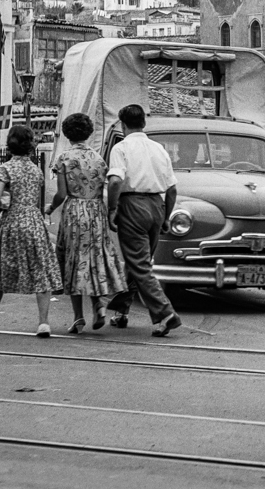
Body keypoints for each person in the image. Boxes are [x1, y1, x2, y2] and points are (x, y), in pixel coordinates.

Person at [105, 104, 183, 336]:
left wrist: (112, 209)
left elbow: (116, 181)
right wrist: (166, 216)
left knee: (139, 264)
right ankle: (121, 310)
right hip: (157, 206)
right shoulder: (159, 149)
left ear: (122, 124)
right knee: (138, 261)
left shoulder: (121, 148)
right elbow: (172, 189)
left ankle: (166, 313)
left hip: (132, 206)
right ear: (144, 123)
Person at [0, 125, 62, 336]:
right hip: (34, 221)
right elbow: (39, 199)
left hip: (12, 221)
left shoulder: (5, 169)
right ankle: (43, 322)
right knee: (40, 268)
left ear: (10, 145)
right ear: (30, 145)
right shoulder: (36, 170)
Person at [47, 112, 127, 336]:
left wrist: (50, 207)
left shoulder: (64, 158)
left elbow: (61, 193)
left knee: (74, 261)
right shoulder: (99, 159)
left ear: (67, 133)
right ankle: (98, 306)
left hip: (74, 212)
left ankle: (78, 317)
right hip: (96, 211)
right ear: (89, 132)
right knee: (94, 259)